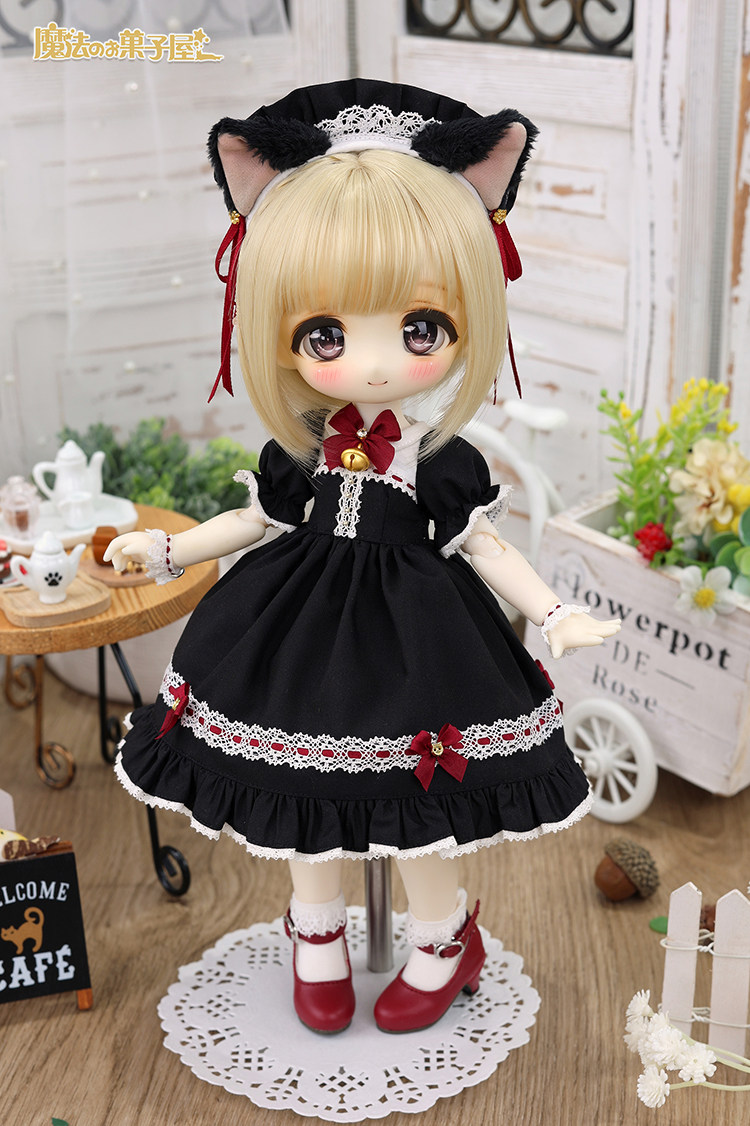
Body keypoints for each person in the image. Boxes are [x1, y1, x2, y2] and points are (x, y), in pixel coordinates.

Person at [105, 79, 620, 1036]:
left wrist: (554, 612)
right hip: (299, 628)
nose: (375, 364)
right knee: (303, 793)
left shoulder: (440, 462)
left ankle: (442, 940)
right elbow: (251, 522)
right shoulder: (301, 453)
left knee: (421, 808)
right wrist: (170, 548)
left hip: (421, 641)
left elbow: (484, 542)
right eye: (326, 334)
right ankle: (316, 936)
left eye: (420, 329)